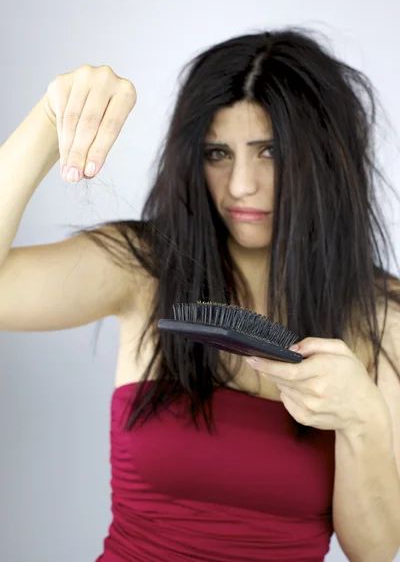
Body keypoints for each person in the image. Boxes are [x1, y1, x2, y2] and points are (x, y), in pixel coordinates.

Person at [1, 28, 400, 562]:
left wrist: (362, 419)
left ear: (323, 157)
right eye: (217, 153)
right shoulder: (141, 268)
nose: (239, 185)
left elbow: (373, 551)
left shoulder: (382, 315)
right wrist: (49, 121)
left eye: (270, 153)